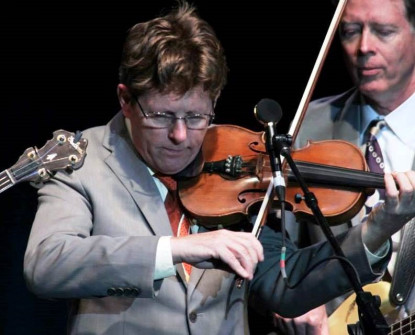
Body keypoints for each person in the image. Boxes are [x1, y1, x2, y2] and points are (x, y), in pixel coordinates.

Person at [23, 1, 415, 334]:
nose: (181, 136)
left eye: (196, 116)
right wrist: (177, 249)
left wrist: (379, 226)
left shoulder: (230, 165)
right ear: (126, 100)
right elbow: (48, 263)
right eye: (162, 115)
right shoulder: (82, 157)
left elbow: (286, 286)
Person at [294, 0, 415, 330]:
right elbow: (276, 250)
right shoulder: (305, 128)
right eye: (350, 31)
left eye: (384, 31)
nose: (364, 47)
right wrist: (291, 300)